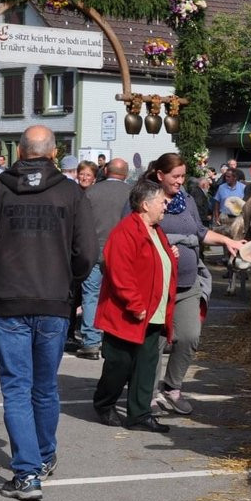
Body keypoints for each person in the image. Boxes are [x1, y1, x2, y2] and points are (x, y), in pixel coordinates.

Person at [0, 125, 96, 501]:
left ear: (21, 153)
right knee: (43, 386)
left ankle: (27, 472)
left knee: (17, 388)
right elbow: (87, 251)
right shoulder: (71, 192)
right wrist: (69, 282)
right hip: (53, 299)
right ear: (53, 154)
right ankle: (41, 456)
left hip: (10, 298)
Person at [145, 153, 244, 416]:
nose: (180, 181)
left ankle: (172, 388)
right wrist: (166, 247)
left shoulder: (186, 200)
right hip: (157, 284)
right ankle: (149, 393)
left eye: (182, 176)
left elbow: (199, 232)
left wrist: (227, 242)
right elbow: (134, 234)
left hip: (188, 282)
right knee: (155, 341)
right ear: (160, 175)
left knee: (189, 336)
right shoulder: (145, 200)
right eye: (175, 176)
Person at [92, 179, 177, 433]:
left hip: (153, 313)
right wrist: (135, 304)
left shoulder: (156, 230)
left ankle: (139, 414)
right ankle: (104, 404)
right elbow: (120, 272)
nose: (166, 205)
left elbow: (152, 262)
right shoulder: (126, 231)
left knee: (146, 366)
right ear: (145, 204)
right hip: (129, 314)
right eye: (162, 201)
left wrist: (169, 256)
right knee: (119, 365)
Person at [78, 158, 130, 360]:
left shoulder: (91, 192)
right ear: (125, 174)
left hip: (94, 250)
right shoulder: (132, 194)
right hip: (121, 252)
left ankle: (91, 341)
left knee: (91, 295)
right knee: (118, 295)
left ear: (106, 170)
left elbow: (81, 224)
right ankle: (115, 338)